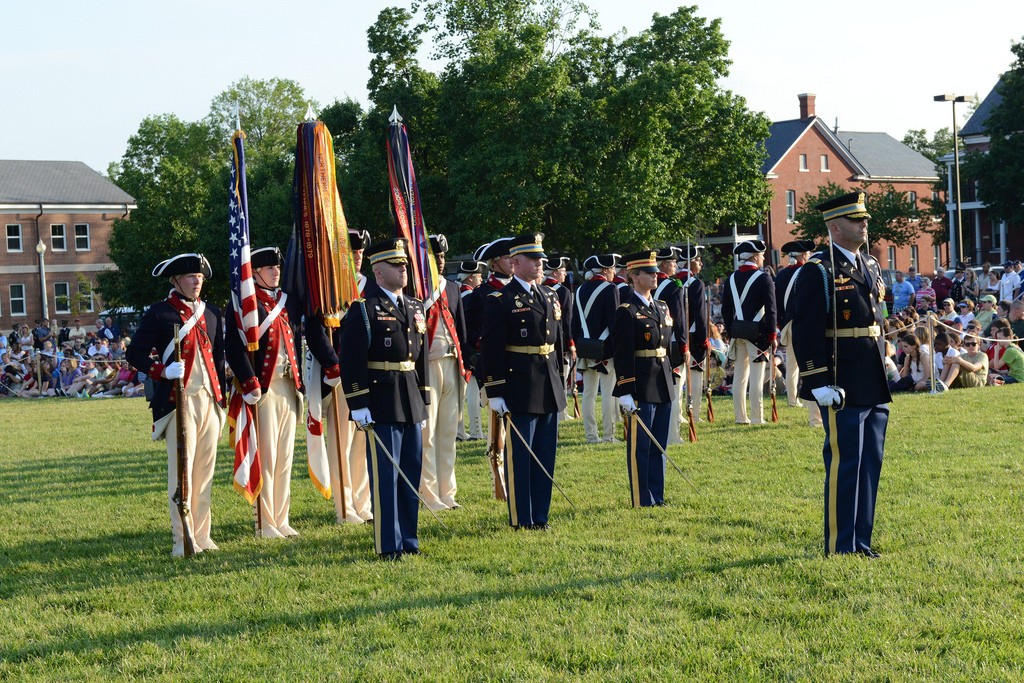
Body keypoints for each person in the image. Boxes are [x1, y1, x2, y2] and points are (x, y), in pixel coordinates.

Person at [788, 191, 891, 558]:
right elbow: (806, 331)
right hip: (841, 379)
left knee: (869, 464)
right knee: (846, 462)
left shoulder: (871, 265)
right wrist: (817, 382)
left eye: (864, 218)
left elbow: (877, 317)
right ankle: (840, 544)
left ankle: (861, 540)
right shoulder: (818, 270)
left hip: (872, 374)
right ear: (834, 226)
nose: (864, 224)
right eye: (856, 219)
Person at [126, 253, 226, 558]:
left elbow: (219, 358)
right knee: (182, 472)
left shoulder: (213, 313)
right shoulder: (159, 313)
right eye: (189, 277)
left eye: (199, 277)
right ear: (175, 281)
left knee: (205, 471)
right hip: (177, 402)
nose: (196, 282)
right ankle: (183, 539)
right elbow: (135, 354)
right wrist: (162, 370)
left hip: (209, 399)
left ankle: (202, 535)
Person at [340, 238, 430, 560]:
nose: (403, 268)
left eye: (404, 264)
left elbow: (420, 360)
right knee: (386, 478)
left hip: (409, 400)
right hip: (380, 401)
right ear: (378, 272)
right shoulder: (364, 310)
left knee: (410, 472)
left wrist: (424, 398)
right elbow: (350, 359)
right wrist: (358, 403)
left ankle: (409, 539)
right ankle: (388, 544)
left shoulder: (415, 307)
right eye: (395, 264)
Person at [481, 233, 566, 530]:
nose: (540, 263)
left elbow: (558, 341)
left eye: (541, 259)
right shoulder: (500, 300)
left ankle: (540, 516)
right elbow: (491, 349)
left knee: (545, 454)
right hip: (520, 384)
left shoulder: (550, 295)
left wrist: (561, 376)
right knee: (522, 456)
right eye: (533, 259)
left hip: (549, 383)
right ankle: (522, 517)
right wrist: (494, 389)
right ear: (515, 263)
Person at [226, 246, 303, 539]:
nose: (276, 272)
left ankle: (281, 518)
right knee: (267, 457)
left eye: (277, 268)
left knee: (284, 458)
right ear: (255, 273)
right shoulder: (246, 305)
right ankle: (265, 522)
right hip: (265, 389)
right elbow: (234, 346)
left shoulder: (287, 302)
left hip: (289, 385)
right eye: (270, 268)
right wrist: (248, 381)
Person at [305, 228, 373, 525]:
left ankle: (363, 502)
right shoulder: (327, 289)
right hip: (342, 375)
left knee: (362, 443)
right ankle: (345, 507)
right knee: (342, 442)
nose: (357, 258)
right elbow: (314, 329)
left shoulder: (370, 287)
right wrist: (333, 364)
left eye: (360, 253)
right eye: (351, 253)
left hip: (369, 374)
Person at [610, 250, 675, 508]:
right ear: (634, 277)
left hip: (662, 380)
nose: (655, 276)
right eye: (648, 273)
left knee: (659, 444)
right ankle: (641, 497)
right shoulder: (627, 311)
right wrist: (625, 389)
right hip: (641, 383)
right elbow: (621, 352)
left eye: (655, 271)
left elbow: (668, 344)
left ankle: (657, 496)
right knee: (641, 446)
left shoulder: (661, 307)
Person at [420, 234, 469, 512]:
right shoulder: (417, 290)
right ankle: (427, 492)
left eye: (440, 256)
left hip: (453, 364)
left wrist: (467, 366)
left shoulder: (451, 287)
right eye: (433, 256)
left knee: (448, 432)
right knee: (428, 433)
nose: (438, 260)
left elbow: (461, 329)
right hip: (428, 366)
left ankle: (447, 491)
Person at [721, 239, 776, 425]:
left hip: (738, 332)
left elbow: (726, 310)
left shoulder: (731, 279)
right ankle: (757, 418)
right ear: (754, 257)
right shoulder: (764, 278)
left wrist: (731, 332)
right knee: (756, 377)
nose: (762, 258)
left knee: (739, 377)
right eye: (760, 255)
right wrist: (772, 335)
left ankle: (740, 417)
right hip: (758, 334)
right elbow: (771, 309)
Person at [572, 253, 621, 443]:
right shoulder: (610, 289)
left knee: (589, 394)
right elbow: (613, 322)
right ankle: (609, 435)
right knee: (608, 393)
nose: (614, 273)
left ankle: (591, 435)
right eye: (612, 269)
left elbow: (575, 324)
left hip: (585, 347)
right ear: (606, 270)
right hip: (605, 348)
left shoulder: (579, 290)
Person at [542, 255, 576, 423]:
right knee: (562, 377)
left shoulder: (541, 288)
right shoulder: (563, 291)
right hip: (560, 341)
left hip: (546, 342)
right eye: (562, 271)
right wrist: (570, 343)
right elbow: (567, 321)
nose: (564, 274)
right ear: (555, 273)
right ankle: (562, 412)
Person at [678, 245, 709, 423]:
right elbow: (700, 316)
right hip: (693, 335)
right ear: (690, 263)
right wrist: (704, 339)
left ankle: (680, 413)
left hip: (676, 336)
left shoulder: (672, 281)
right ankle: (694, 413)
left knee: (679, 376)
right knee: (695, 375)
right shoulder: (696, 283)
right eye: (698, 260)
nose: (701, 263)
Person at [457, 260, 486, 441]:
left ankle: (461, 431)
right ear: (471, 277)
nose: (481, 279)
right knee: (473, 391)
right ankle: (475, 431)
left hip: (460, 348)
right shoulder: (469, 296)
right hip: (469, 348)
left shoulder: (459, 293)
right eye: (479, 276)